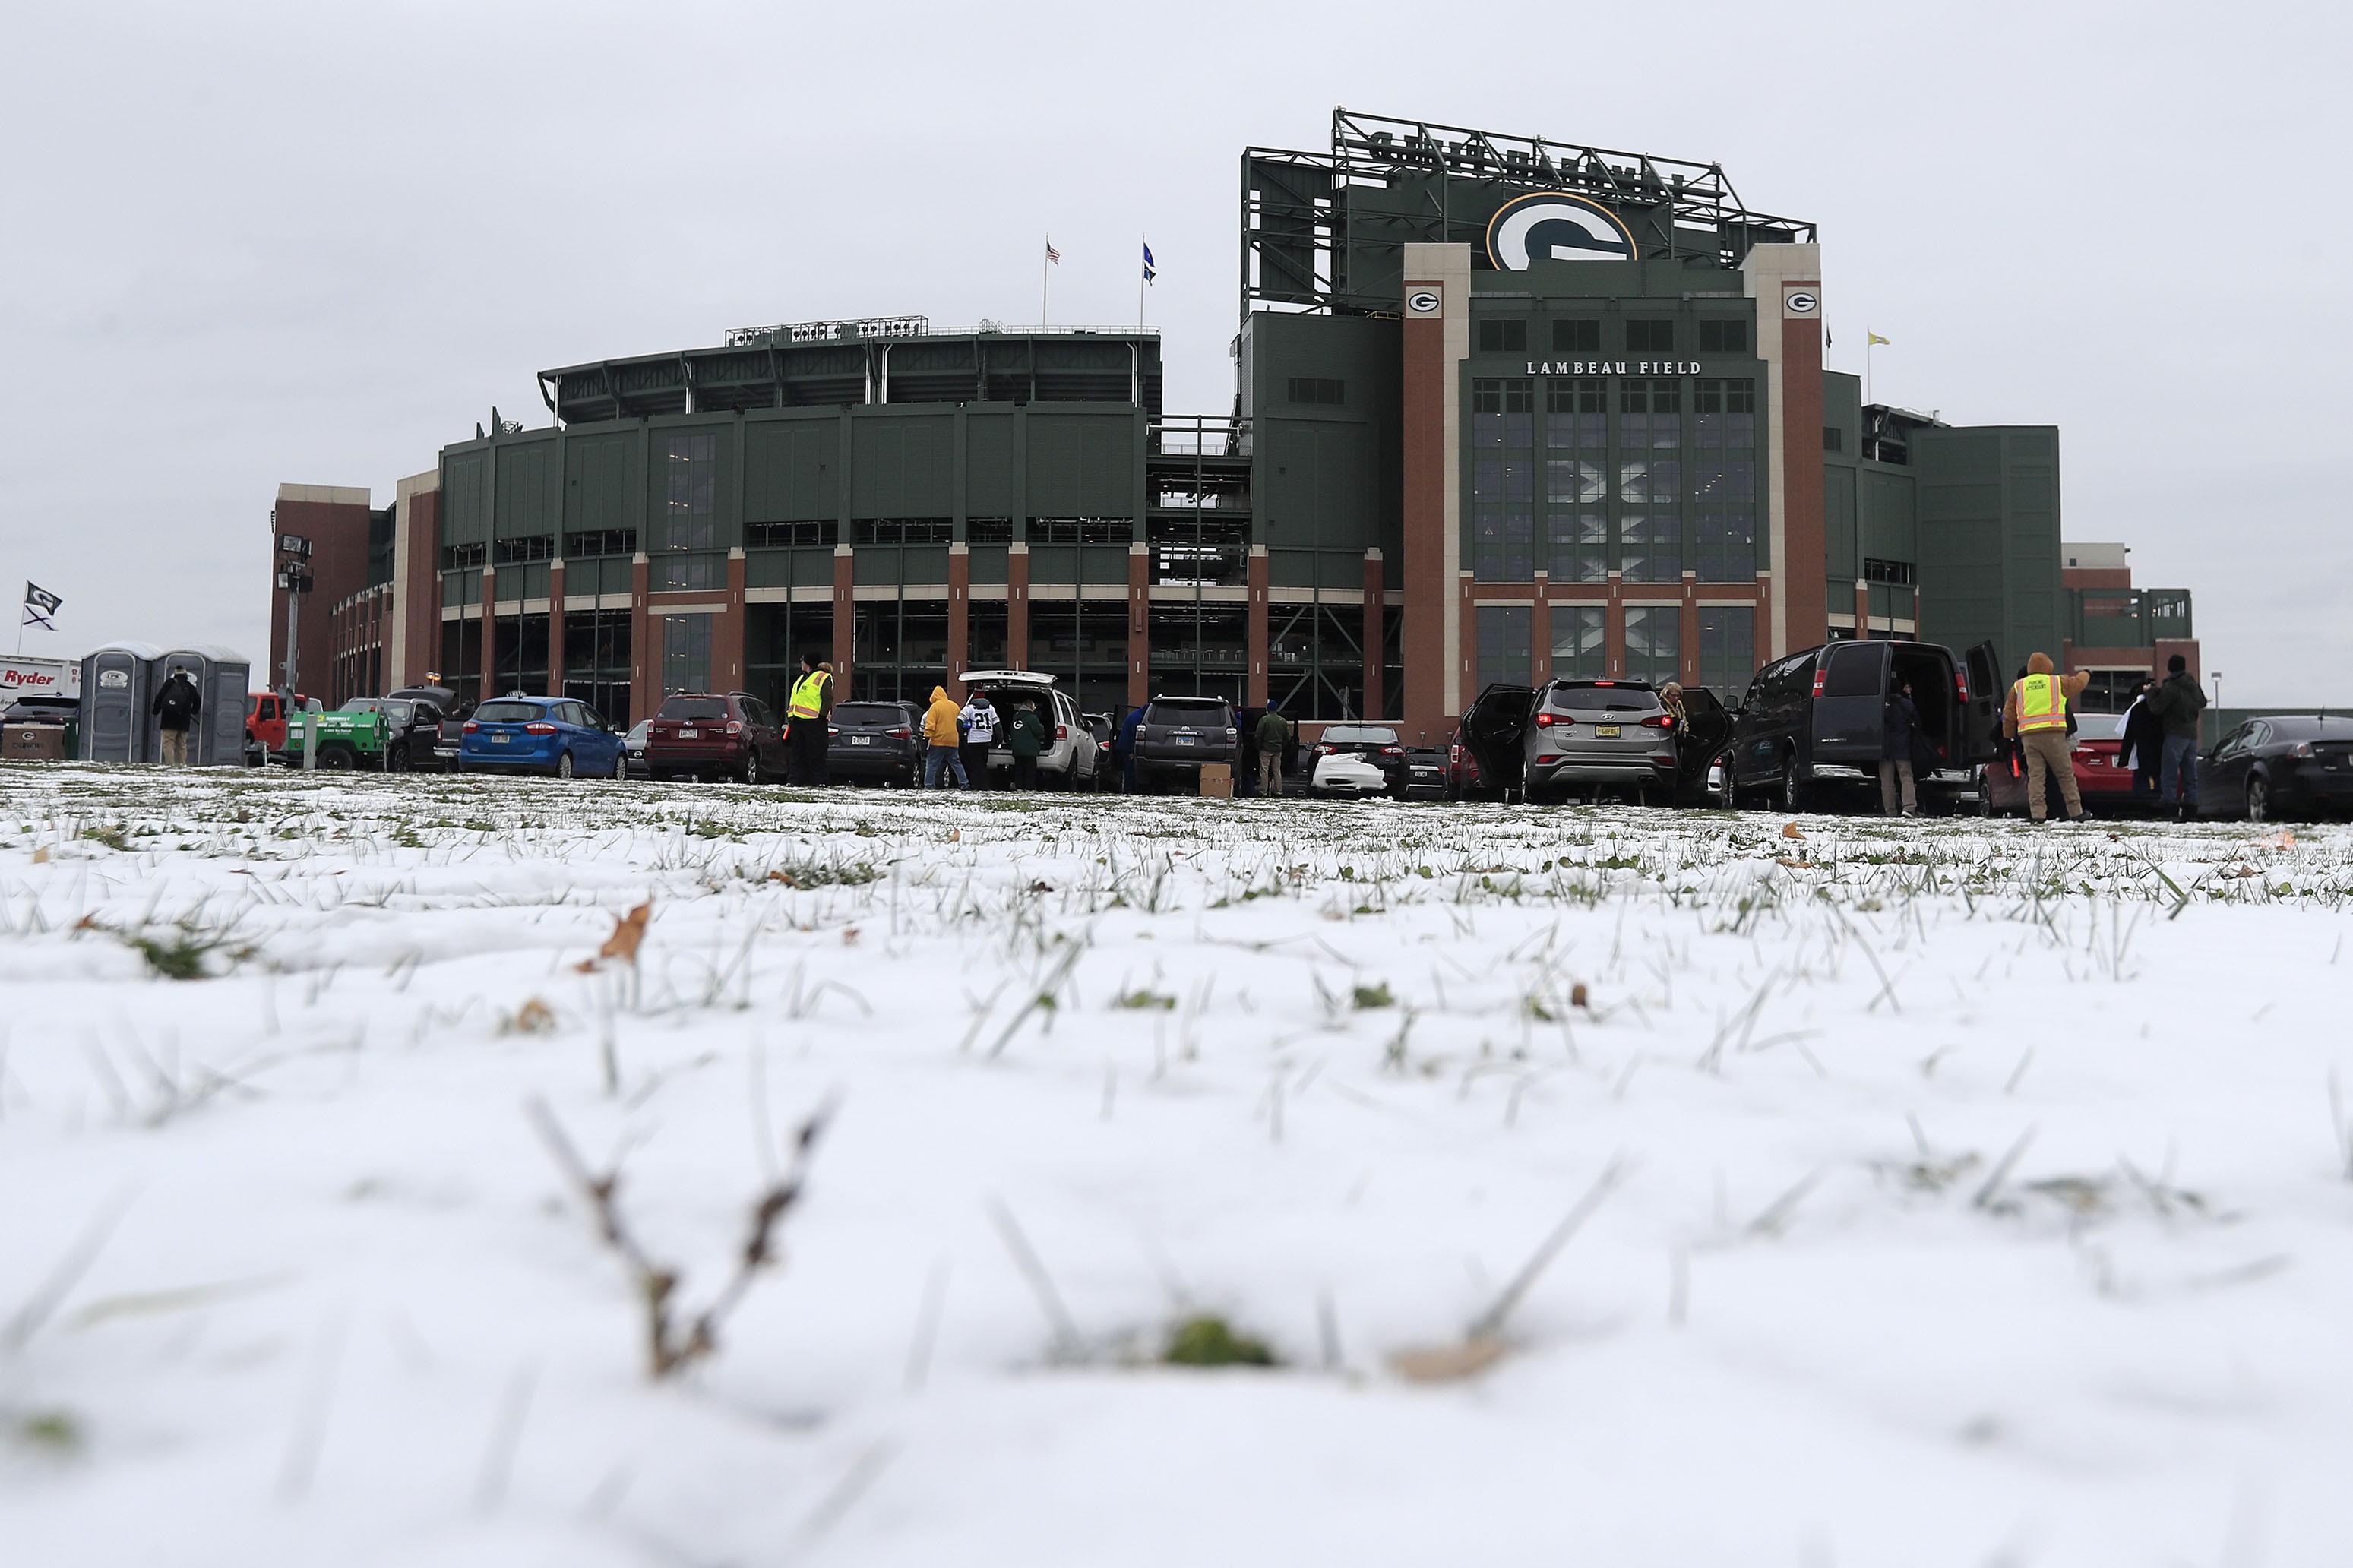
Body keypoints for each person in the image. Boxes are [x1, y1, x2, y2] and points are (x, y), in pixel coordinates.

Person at [2003, 651, 2090, 823]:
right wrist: (2086, 673)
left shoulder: (2018, 687)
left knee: (2036, 778)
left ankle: (2037, 815)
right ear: (2048, 667)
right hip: (2054, 735)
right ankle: (2076, 812)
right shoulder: (2056, 682)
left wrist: (2009, 736)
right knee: (2065, 775)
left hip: (2029, 738)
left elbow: (2008, 714)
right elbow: (2078, 683)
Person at [2145, 653, 2206, 820]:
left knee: (2170, 773)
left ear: (2170, 668)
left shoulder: (2171, 687)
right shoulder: (2193, 685)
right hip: (2192, 735)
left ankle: (2170, 810)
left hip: (2175, 734)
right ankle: (2191, 810)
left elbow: (2157, 708)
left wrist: (2150, 693)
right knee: (2190, 774)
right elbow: (2203, 702)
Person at [1879, 678, 1924, 817]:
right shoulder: (1907, 705)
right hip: (1903, 747)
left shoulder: (1881, 705)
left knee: (1887, 781)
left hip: (1884, 748)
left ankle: (1890, 811)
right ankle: (1909, 807)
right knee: (1906, 777)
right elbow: (1918, 723)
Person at [786, 656, 834, 786]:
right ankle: (795, 780)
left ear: (807, 662)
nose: (800, 663)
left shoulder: (822, 677)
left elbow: (827, 698)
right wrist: (791, 717)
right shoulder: (801, 678)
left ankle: (818, 781)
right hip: (798, 722)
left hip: (814, 722)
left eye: (802, 660)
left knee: (816, 754)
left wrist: (821, 717)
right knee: (797, 753)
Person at [2120, 678, 2163, 800]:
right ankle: (2160, 800)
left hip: (2142, 750)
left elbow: (2129, 735)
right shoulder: (2161, 709)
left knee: (2141, 779)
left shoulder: (2137, 709)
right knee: (2159, 778)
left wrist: (2124, 757)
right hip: (2160, 749)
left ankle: (2142, 802)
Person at [151, 669, 202, 765]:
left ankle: (170, 765)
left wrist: (156, 710)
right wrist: (193, 711)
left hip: (169, 719)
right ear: (186, 675)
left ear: (175, 675)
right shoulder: (190, 686)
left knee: (169, 743)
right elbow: (198, 700)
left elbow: (160, 696)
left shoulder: (169, 683)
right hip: (184, 721)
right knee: (181, 744)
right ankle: (181, 764)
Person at [921, 684, 968, 789]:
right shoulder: (954, 706)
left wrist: (926, 738)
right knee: (956, 764)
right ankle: (964, 783)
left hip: (938, 741)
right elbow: (960, 722)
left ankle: (929, 785)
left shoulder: (935, 707)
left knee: (932, 764)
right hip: (953, 741)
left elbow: (931, 725)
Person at [959, 691, 998, 790]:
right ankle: (985, 785)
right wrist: (999, 738)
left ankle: (976, 785)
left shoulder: (969, 708)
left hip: (973, 740)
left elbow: (959, 721)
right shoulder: (990, 708)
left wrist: (962, 735)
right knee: (983, 764)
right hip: (986, 740)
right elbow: (997, 724)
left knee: (975, 764)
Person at [1006, 699, 1048, 789]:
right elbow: (1039, 731)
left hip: (1017, 749)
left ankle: (1019, 787)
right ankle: (1029, 787)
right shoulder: (1032, 718)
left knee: (1019, 770)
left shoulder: (1015, 717)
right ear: (1030, 707)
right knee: (1030, 771)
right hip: (1030, 750)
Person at [1254, 707, 1292, 797]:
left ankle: (1263, 790)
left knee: (1264, 770)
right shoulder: (1282, 720)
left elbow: (1258, 734)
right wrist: (1282, 746)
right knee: (1277, 770)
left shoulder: (1264, 720)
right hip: (1278, 749)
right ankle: (1278, 790)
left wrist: (1259, 746)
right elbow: (1287, 736)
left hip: (1265, 749)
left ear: (1268, 710)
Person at [1116, 704, 1144, 792]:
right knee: (1130, 770)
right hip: (1127, 747)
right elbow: (1133, 735)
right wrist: (1132, 751)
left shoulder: (1135, 715)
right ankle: (1128, 790)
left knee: (1129, 769)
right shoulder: (1138, 718)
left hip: (1124, 745)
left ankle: (1128, 789)